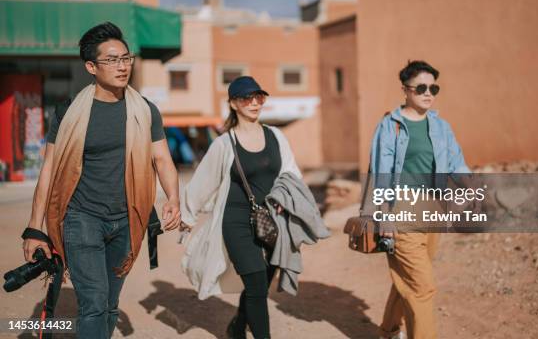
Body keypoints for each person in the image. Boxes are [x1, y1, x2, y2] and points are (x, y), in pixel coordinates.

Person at [21, 22, 181, 339]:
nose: (122, 66)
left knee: (109, 303)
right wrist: (35, 229)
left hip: (127, 219)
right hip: (82, 218)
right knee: (93, 302)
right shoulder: (69, 112)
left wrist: (173, 199)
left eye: (126, 58)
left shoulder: (145, 110)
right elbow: (50, 170)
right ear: (91, 67)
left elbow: (162, 158)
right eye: (112, 60)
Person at [180, 76, 328, 339]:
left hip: (273, 221)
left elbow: (291, 175)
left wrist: (292, 205)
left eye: (258, 96)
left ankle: (237, 328)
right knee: (257, 283)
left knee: (258, 285)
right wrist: (186, 218)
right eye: (246, 98)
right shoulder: (225, 144)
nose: (254, 102)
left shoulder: (276, 136)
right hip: (236, 221)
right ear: (234, 104)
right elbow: (202, 183)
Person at [369, 60, 470, 339]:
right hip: (402, 210)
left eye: (433, 87)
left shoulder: (440, 127)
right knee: (422, 286)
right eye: (421, 88)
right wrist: (384, 215)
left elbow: (457, 163)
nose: (428, 93)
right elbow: (381, 172)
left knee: (407, 279)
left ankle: (388, 332)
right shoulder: (390, 127)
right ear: (405, 90)